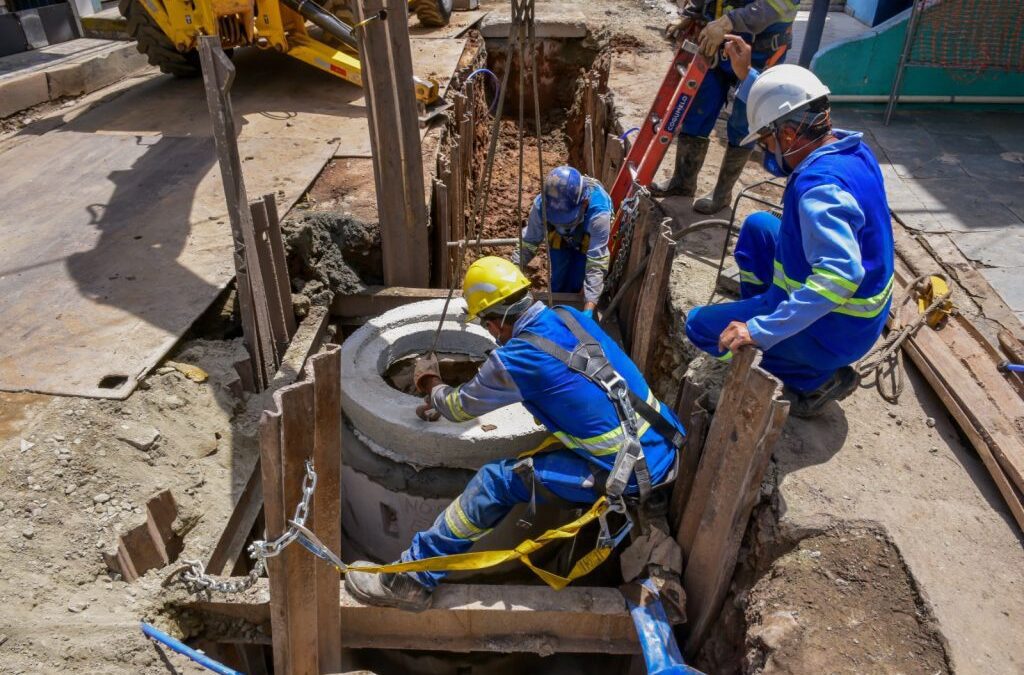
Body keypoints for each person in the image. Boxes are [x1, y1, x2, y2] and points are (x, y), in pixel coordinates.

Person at [345, 256, 685, 610]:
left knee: (497, 480)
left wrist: (430, 383)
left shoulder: (517, 360)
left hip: (631, 472)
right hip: (664, 441)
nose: (490, 333)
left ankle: (412, 579)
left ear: (495, 322)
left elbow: (459, 408)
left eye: (487, 326)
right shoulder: (573, 319)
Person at [685, 36, 895, 417]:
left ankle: (814, 379)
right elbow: (788, 105)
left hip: (839, 326)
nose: (764, 150)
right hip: (857, 314)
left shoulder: (820, 190)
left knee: (699, 326)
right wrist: (747, 77)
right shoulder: (851, 147)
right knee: (758, 227)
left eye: (765, 139)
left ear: (786, 135)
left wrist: (761, 330)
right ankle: (771, 313)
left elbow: (841, 275)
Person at [653, 0, 799, 214]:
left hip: (760, 54)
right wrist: (695, 13)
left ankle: (721, 195)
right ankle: (683, 182)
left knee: (744, 122)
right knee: (699, 111)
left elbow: (771, 8)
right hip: (718, 45)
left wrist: (727, 22)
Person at [513, 165, 613, 317]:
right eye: (557, 219)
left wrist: (589, 308)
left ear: (584, 203)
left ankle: (576, 305)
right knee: (559, 275)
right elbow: (528, 243)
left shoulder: (599, 215)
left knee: (578, 277)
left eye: (566, 220)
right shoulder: (541, 206)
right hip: (558, 238)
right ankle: (558, 304)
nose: (562, 224)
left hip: (586, 237)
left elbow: (596, 264)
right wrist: (512, 270)